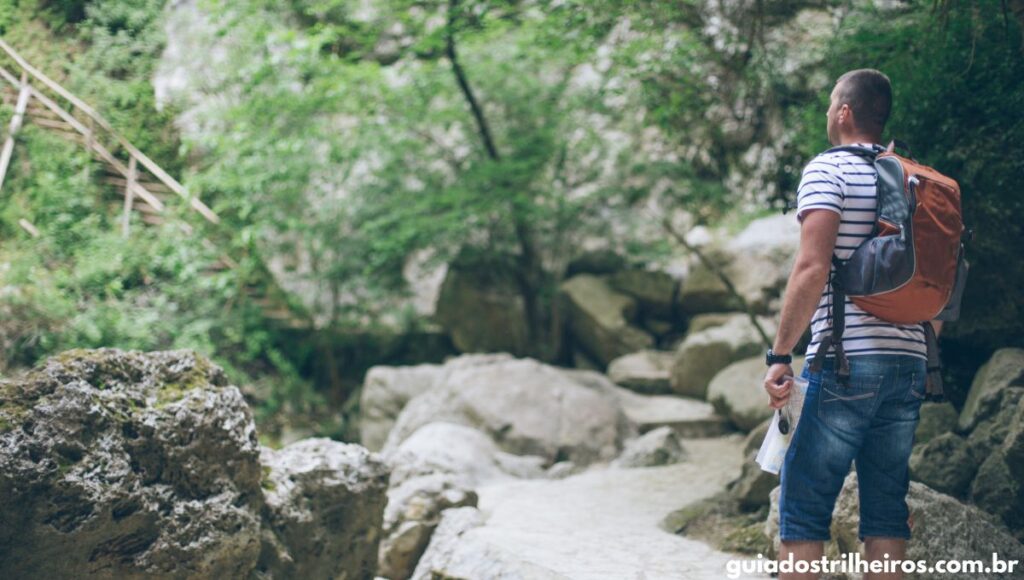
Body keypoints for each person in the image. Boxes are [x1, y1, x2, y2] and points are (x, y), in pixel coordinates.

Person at [761, 69, 945, 580]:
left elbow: (812, 266)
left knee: (803, 506)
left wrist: (780, 356)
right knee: (887, 508)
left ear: (843, 112)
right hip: (909, 362)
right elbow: (938, 280)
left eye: (828, 107)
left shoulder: (828, 170)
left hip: (847, 360)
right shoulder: (914, 178)